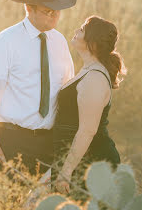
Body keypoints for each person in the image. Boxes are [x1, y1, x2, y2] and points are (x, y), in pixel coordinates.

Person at [0, 0, 77, 201]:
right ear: (28, 8)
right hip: (13, 142)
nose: (53, 16)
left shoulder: (60, 42)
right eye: (47, 11)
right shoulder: (5, 43)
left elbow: (67, 88)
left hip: (49, 143)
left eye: (57, 11)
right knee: (5, 207)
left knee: (46, 208)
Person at [51, 15, 126, 194]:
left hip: (91, 163)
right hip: (75, 158)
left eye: (83, 29)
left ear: (93, 42)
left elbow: (87, 130)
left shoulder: (95, 78)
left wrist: (66, 171)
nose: (77, 31)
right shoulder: (88, 70)